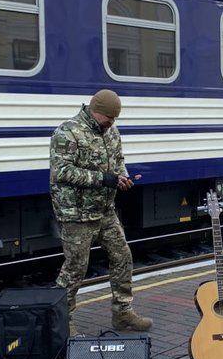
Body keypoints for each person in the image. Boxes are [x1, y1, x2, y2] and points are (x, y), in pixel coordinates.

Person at [50, 90, 152, 336]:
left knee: (122, 256)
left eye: (114, 118)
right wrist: (103, 179)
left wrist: (122, 178)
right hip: (76, 213)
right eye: (108, 117)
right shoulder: (67, 132)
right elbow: (61, 172)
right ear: (96, 111)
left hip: (104, 210)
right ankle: (63, 320)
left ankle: (123, 312)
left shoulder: (111, 132)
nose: (112, 123)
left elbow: (118, 161)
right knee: (75, 268)